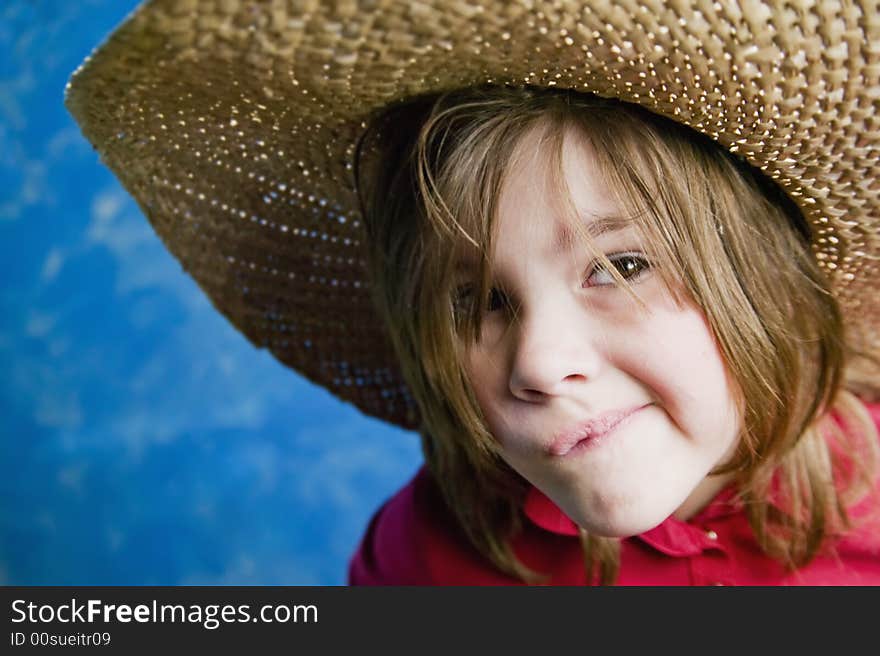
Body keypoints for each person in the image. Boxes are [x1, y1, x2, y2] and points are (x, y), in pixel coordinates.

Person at [65, 0, 879, 585]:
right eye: (480, 301)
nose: (540, 362)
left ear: (774, 279)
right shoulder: (423, 565)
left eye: (622, 265)